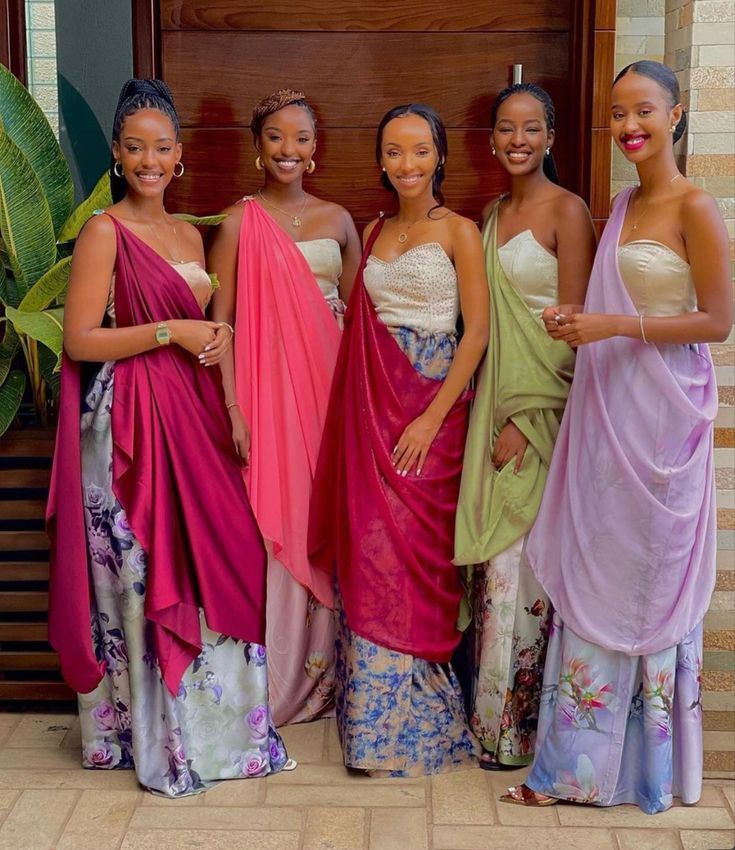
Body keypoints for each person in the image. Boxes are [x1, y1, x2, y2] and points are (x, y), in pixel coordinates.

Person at [47, 79, 290, 796]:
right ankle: (152, 734)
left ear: (178, 156)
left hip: (196, 417)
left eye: (161, 148)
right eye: (134, 149)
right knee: (144, 573)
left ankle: (224, 735)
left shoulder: (190, 233)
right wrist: (169, 331)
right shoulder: (103, 231)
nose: (148, 161)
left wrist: (223, 368)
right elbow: (81, 339)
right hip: (127, 428)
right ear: (118, 158)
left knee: (223, 552)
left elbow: (209, 331)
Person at [502, 60, 731, 813]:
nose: (628, 126)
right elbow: (610, 299)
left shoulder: (694, 206)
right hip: (608, 407)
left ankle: (648, 769)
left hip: (662, 418)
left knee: (647, 578)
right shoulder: (624, 202)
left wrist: (608, 325)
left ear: (673, 116)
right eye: (615, 114)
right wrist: (580, 328)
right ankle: (574, 767)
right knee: (598, 564)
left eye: (642, 111)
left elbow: (716, 322)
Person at [309, 104, 489, 776]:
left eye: (419, 151)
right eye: (393, 151)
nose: (406, 164)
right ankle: (371, 732)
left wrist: (431, 417)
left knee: (419, 559)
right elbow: (358, 325)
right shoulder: (374, 228)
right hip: (370, 410)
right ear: (380, 160)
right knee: (369, 555)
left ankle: (424, 725)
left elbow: (475, 333)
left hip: (430, 411)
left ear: (438, 155)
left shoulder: (461, 232)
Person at [208, 89, 361, 726]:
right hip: (268, 397)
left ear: (315, 148)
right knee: (280, 519)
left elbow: (362, 330)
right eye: (274, 137)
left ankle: (328, 678)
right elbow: (220, 328)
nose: (287, 150)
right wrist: (234, 408)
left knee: (327, 518)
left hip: (331, 394)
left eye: (299, 138)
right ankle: (276, 681)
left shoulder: (339, 220)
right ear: (257, 147)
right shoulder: (238, 222)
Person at [454, 83, 596, 771]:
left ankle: (520, 734)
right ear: (489, 140)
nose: (518, 140)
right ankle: (489, 727)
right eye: (505, 129)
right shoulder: (487, 214)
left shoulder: (569, 212)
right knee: (494, 576)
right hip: (490, 412)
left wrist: (527, 416)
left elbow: (573, 334)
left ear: (548, 138)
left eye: (531, 128)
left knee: (523, 576)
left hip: (540, 418)